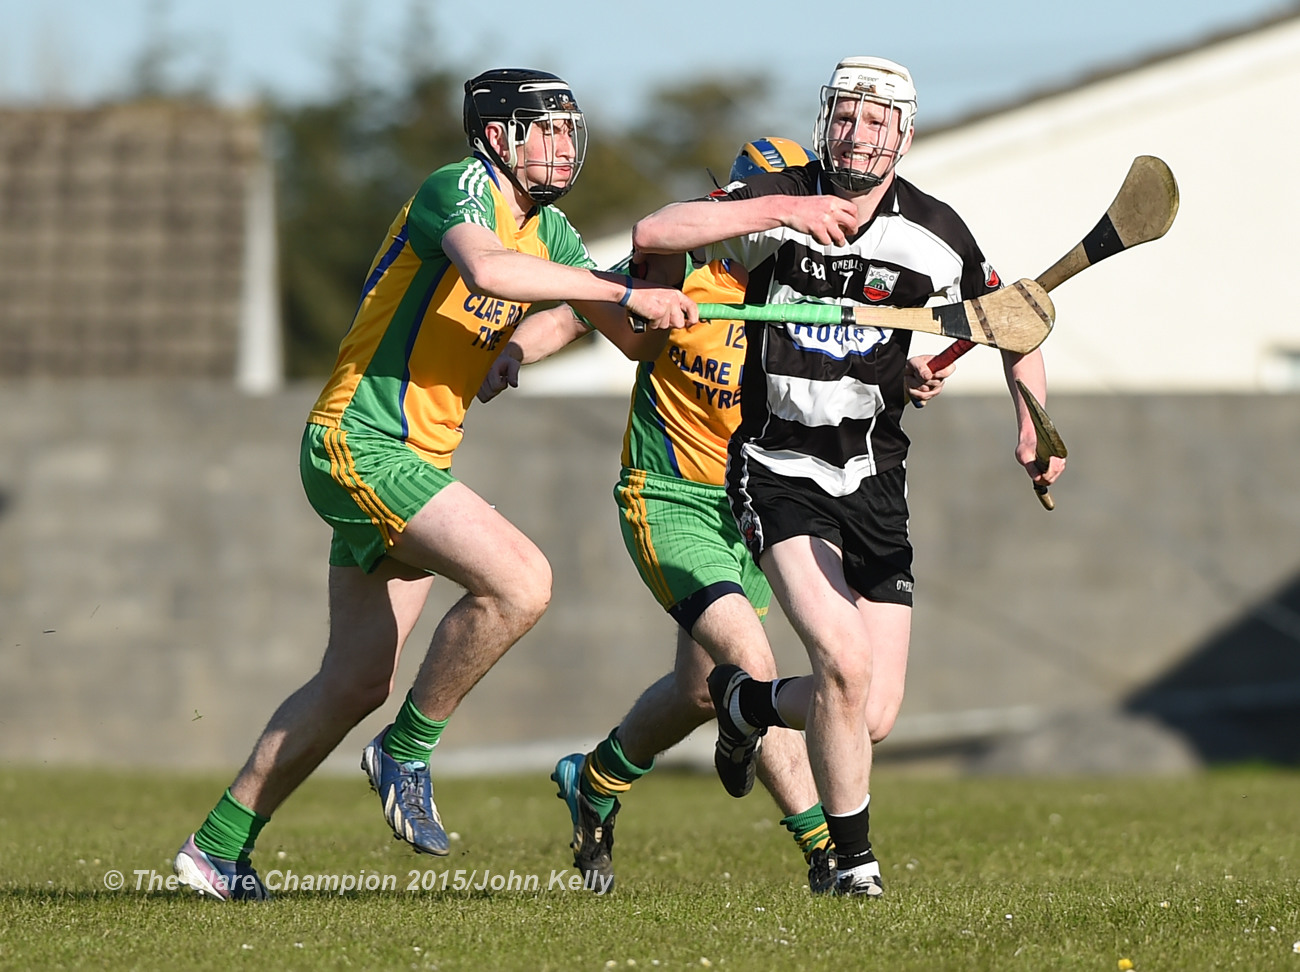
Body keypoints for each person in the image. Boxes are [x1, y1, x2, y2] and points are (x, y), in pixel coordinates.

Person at [170, 67, 697, 902]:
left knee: (354, 682)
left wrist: (627, 301)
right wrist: (618, 287)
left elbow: (611, 332)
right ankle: (406, 750)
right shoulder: (456, 192)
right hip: (360, 442)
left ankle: (217, 849)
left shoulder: (552, 232)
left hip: (417, 462)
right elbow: (490, 273)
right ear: (496, 137)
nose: (564, 144)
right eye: (544, 128)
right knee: (522, 583)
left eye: (569, 128)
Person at [631, 56, 1066, 898]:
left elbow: (1013, 324)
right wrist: (784, 206)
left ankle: (747, 708)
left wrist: (1030, 419)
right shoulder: (778, 208)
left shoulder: (934, 232)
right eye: (845, 117)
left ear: (902, 133)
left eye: (877, 122)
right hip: (777, 468)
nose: (856, 135)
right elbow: (655, 232)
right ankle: (851, 867)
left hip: (873, 475)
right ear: (825, 118)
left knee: (868, 713)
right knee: (839, 658)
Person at [479, 137, 952, 895]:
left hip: (761, 506)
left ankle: (595, 779)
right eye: (743, 202)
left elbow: (862, 362)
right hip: (668, 498)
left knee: (702, 691)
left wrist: (910, 373)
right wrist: (517, 351)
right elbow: (586, 303)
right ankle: (825, 854)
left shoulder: (809, 291)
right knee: (754, 667)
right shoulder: (685, 274)